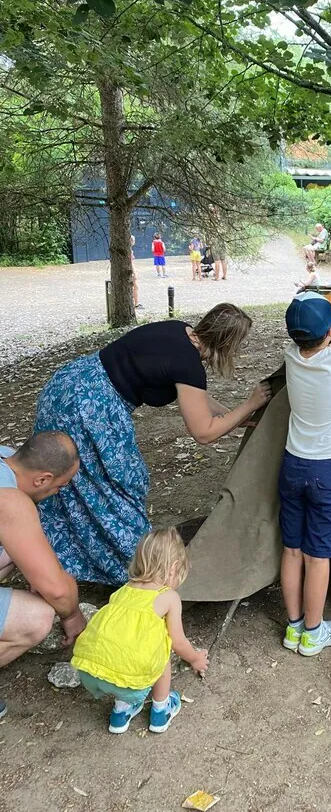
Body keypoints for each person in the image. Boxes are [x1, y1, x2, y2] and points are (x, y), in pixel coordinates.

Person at [34, 304, 273, 585]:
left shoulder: (179, 331)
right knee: (118, 481)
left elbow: (194, 396)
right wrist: (249, 404)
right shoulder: (189, 364)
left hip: (67, 386)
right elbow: (204, 433)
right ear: (228, 344)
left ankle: (52, 556)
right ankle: (138, 570)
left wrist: (232, 415)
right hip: (90, 408)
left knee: (68, 480)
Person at [279, 246, 331, 656]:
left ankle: (293, 626)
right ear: (330, 333)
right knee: (318, 556)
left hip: (293, 464)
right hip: (329, 469)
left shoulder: (292, 357)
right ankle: (313, 633)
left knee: (292, 549)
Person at [72, 527, 207, 735]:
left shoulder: (123, 590)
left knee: (123, 648)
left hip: (91, 673)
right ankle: (160, 711)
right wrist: (196, 659)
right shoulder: (168, 597)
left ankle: (120, 714)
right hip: (130, 682)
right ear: (174, 568)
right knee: (161, 652)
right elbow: (178, 642)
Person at [0, 433, 86, 719]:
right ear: (42, 479)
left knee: (16, 551)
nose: (60, 491)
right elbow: (58, 591)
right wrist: (72, 615)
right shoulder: (10, 500)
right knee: (36, 619)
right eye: (60, 485)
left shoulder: (6, 457)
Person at [130, 235, 143, 310]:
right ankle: (136, 304)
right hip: (131, 270)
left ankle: (134, 303)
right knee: (135, 287)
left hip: (131, 270)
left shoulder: (129, 249)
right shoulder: (129, 250)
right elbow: (130, 262)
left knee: (133, 287)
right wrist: (134, 273)